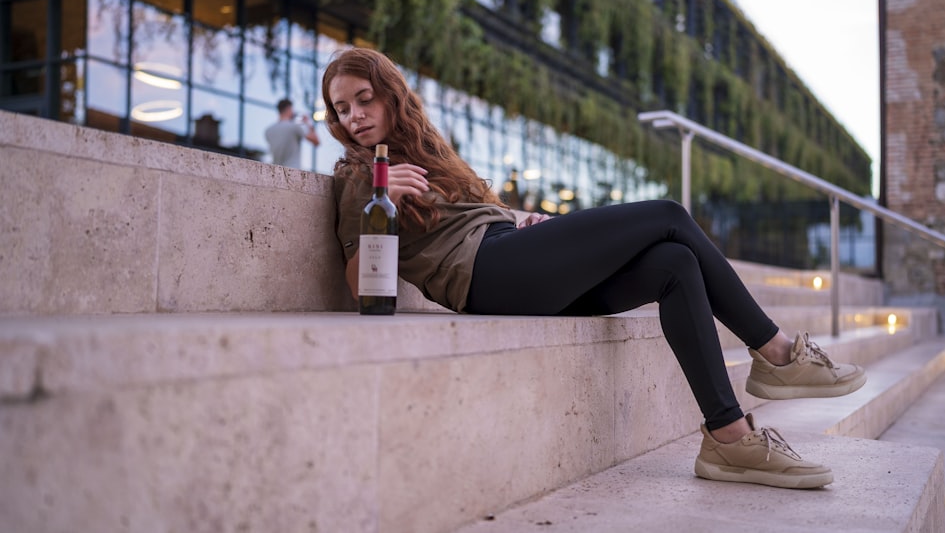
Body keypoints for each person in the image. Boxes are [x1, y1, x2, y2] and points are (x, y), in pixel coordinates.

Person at [324, 47, 867, 490]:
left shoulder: (430, 153)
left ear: (393, 96)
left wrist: (525, 227)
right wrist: (380, 194)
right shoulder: (356, 177)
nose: (354, 117)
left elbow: (474, 221)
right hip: (483, 276)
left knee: (673, 263)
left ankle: (730, 441)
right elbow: (356, 284)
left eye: (364, 100)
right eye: (342, 109)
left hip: (509, 256)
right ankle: (776, 354)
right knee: (669, 215)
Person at [265, 98, 320, 169]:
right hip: (293, 170)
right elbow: (316, 141)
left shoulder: (268, 131)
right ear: (289, 109)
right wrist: (307, 123)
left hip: (276, 170)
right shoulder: (294, 127)